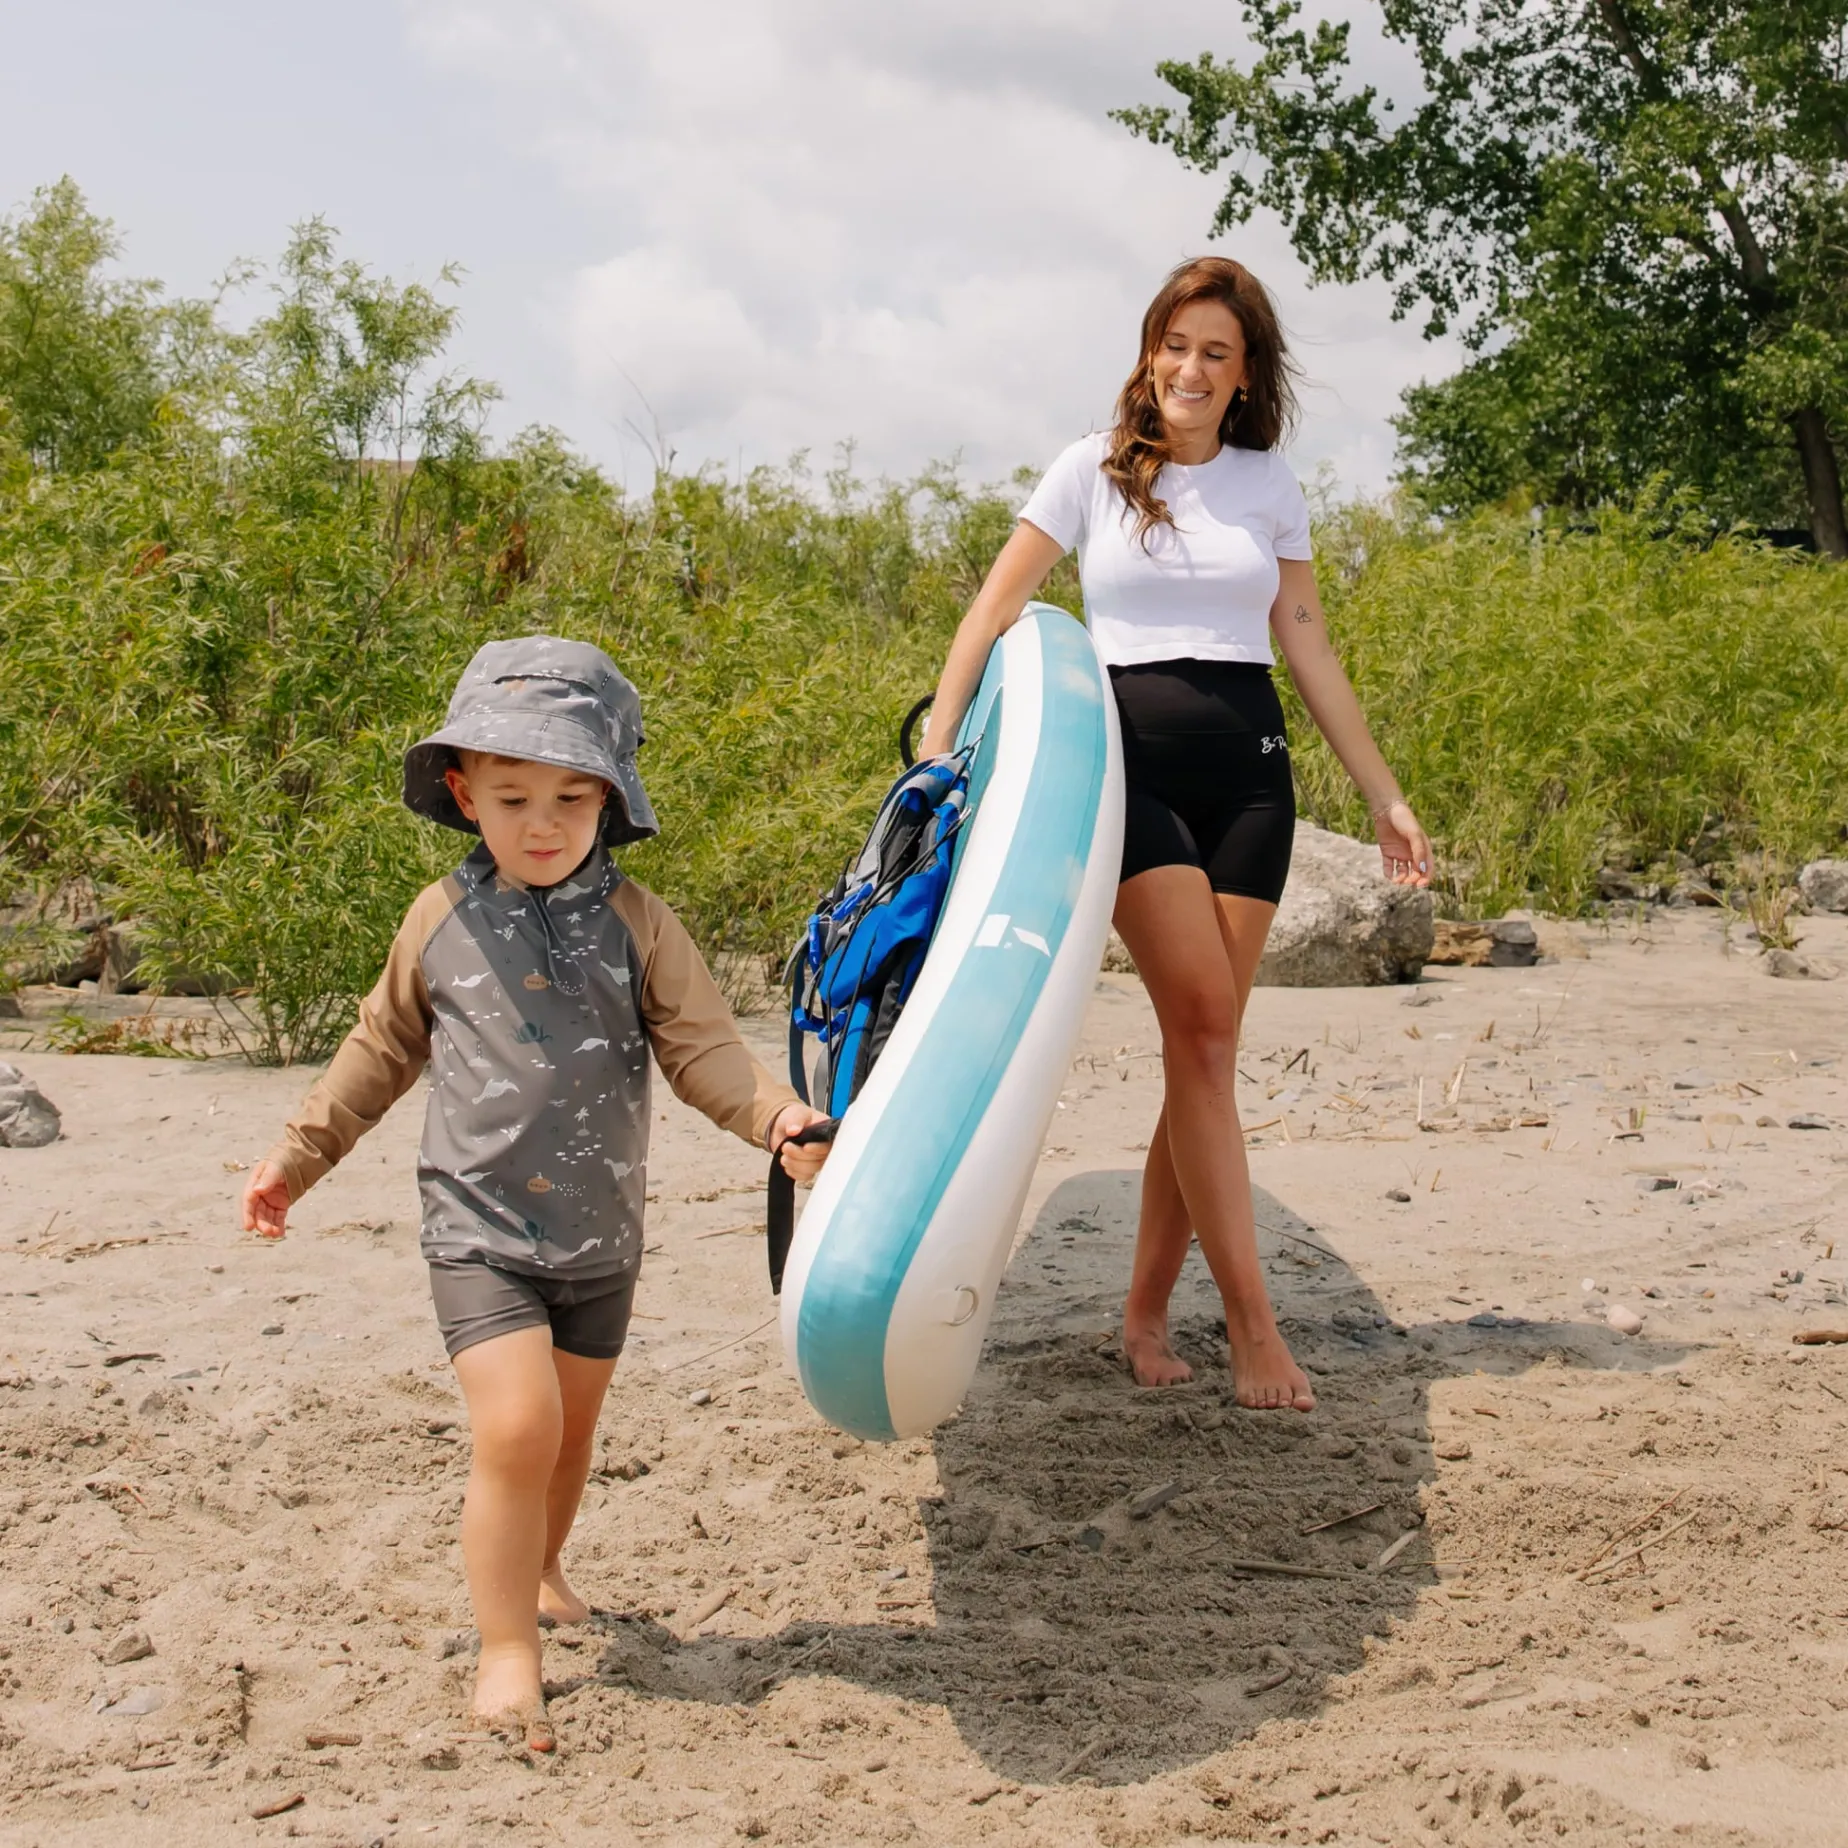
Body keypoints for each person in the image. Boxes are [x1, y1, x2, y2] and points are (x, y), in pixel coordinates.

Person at [239, 637, 831, 1747]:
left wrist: (778, 1120)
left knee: (565, 1438)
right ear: (465, 794)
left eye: (571, 796)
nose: (544, 824)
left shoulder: (640, 924)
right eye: (514, 798)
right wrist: (296, 1157)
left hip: (601, 1238)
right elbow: (379, 1049)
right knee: (518, 1427)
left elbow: (704, 1050)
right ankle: (507, 1646)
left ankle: (544, 1564)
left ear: (610, 795)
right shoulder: (440, 919)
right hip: (480, 1230)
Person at [917, 257, 1432, 1413]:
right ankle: (1254, 1326)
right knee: (1200, 1028)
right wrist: (936, 749)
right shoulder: (1092, 470)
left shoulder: (1267, 483)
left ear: (1246, 375)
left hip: (1251, 786)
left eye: (1216, 352)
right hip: (1131, 779)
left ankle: (1146, 1313)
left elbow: (1306, 640)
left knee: (1205, 1055)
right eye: (1175, 344)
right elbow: (996, 608)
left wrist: (1384, 793)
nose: (1190, 369)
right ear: (1150, 352)